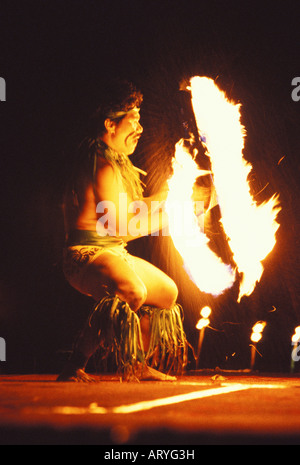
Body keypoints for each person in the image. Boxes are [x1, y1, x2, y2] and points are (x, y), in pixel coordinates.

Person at [57, 79, 186, 382]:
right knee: (132, 290)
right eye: (134, 119)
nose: (140, 128)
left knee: (167, 293)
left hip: (113, 252)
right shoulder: (100, 164)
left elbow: (131, 210)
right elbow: (121, 226)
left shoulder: (114, 161)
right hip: (85, 256)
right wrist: (175, 215)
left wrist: (182, 198)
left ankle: (138, 363)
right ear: (110, 124)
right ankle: (75, 363)